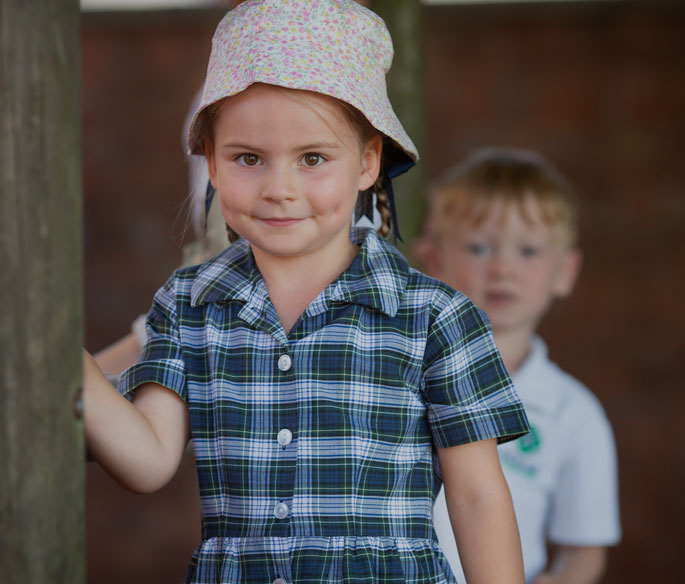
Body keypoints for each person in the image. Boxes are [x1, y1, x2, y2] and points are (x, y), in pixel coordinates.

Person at [82, 2, 531, 582]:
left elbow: (477, 498)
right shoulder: (188, 305)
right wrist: (70, 365)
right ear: (211, 163)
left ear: (368, 162)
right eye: (248, 158)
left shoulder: (435, 317)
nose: (279, 188)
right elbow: (147, 460)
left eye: (312, 158)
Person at [413, 147, 621, 584]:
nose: (503, 269)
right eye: (478, 247)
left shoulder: (573, 412)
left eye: (528, 250)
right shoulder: (400, 374)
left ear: (565, 271)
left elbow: (584, 551)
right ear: (433, 260)